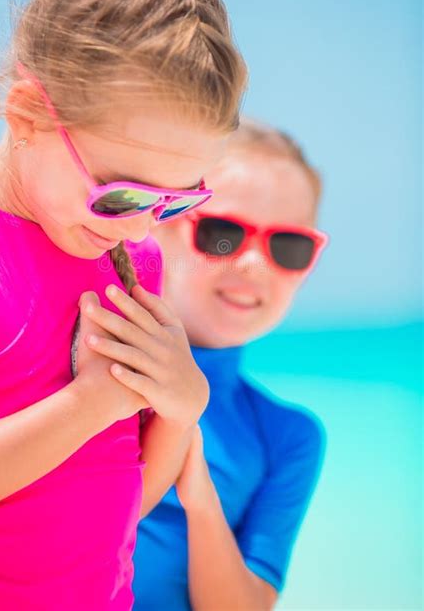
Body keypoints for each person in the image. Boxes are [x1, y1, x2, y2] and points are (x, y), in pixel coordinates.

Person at [0, 0, 247, 611]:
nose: (141, 227)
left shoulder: (127, 260)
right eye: (121, 193)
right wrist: (91, 402)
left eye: (173, 200)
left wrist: (181, 406)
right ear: (28, 117)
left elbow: (125, 498)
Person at [133, 118, 329, 610]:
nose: (254, 264)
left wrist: (200, 496)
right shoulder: (89, 356)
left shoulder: (288, 436)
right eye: (224, 235)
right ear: (162, 222)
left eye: (288, 246)